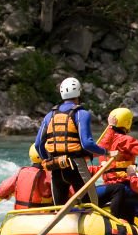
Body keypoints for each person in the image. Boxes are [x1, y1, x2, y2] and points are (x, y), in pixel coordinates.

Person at [34, 77, 109, 205]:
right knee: (92, 204)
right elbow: (87, 143)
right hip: (76, 165)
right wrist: (105, 152)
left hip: (56, 167)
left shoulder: (49, 115)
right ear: (79, 93)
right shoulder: (81, 114)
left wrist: (48, 159)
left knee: (59, 207)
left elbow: (38, 145)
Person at [0, 145, 53, 210]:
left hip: (20, 214)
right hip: (43, 215)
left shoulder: (21, 172)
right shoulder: (50, 175)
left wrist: (8, 194)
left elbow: (1, 192)